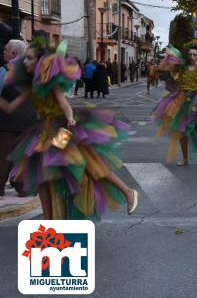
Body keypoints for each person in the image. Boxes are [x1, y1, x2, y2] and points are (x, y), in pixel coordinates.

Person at [0, 41, 138, 219]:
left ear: (41, 62)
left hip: (63, 129)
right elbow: (11, 108)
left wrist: (71, 118)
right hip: (43, 133)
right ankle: (48, 222)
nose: (24, 61)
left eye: (29, 58)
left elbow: (65, 106)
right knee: (42, 176)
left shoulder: (51, 83)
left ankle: (127, 191)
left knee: (85, 164)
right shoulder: (31, 85)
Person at [0, 39, 36, 198]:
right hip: (29, 122)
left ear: (13, 54)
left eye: (6, 49)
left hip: (6, 123)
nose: (3, 51)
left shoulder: (3, 71)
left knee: (3, 157)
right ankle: (23, 187)